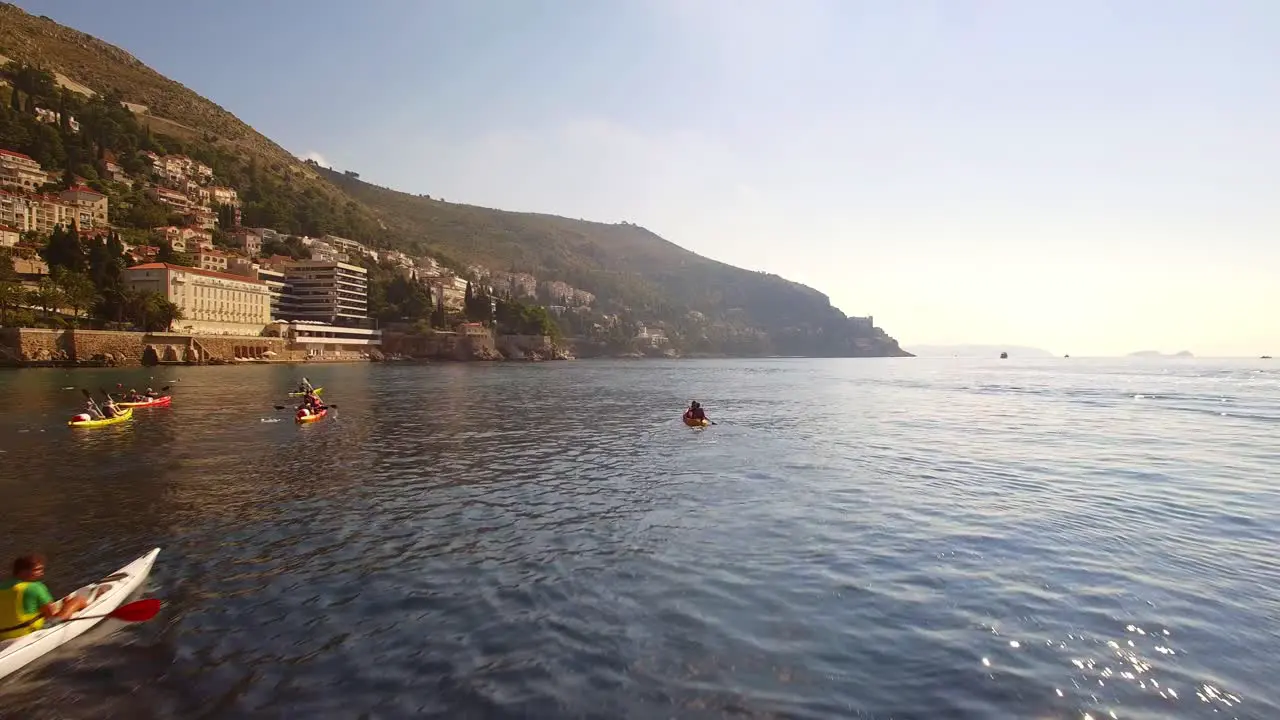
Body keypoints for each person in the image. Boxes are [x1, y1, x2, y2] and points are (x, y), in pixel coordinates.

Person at [0, 554, 90, 640]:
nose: (41, 573)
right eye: (37, 570)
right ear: (22, 571)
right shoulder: (35, 587)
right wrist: (65, 606)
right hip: (28, 632)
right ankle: (87, 610)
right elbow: (51, 616)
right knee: (78, 600)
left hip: (3, 635)